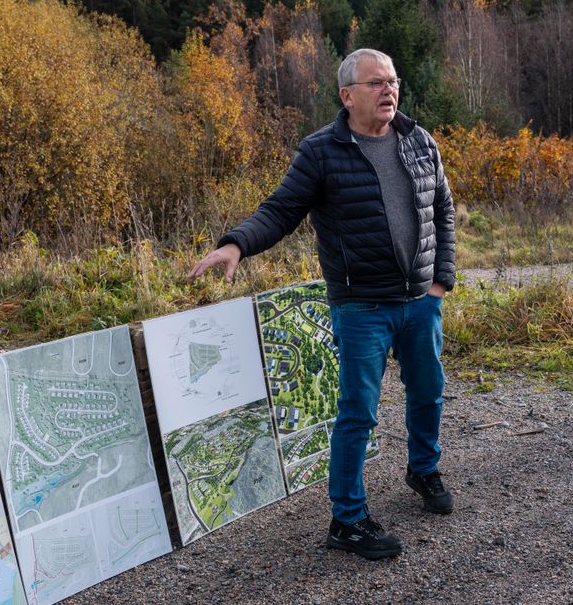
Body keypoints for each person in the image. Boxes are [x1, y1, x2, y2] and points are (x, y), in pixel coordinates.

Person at [189, 48, 456, 559]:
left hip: (421, 301)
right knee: (358, 412)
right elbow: (281, 210)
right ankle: (348, 520)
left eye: (393, 81)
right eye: (376, 83)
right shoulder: (321, 152)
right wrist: (235, 244)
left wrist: (440, 280)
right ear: (347, 94)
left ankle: (423, 469)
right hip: (362, 308)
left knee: (429, 391)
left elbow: (442, 206)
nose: (389, 90)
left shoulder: (420, 141)